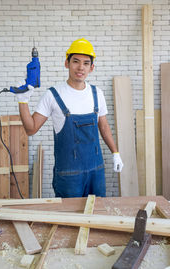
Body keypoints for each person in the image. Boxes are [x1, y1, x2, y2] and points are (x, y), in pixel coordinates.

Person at [16, 38, 123, 198]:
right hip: (68, 176)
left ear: (92, 68)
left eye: (86, 63)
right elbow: (31, 129)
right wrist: (23, 101)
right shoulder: (53, 95)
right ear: (67, 63)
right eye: (76, 61)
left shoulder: (97, 94)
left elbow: (104, 126)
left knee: (98, 216)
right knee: (69, 220)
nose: (80, 67)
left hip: (96, 172)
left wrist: (115, 153)